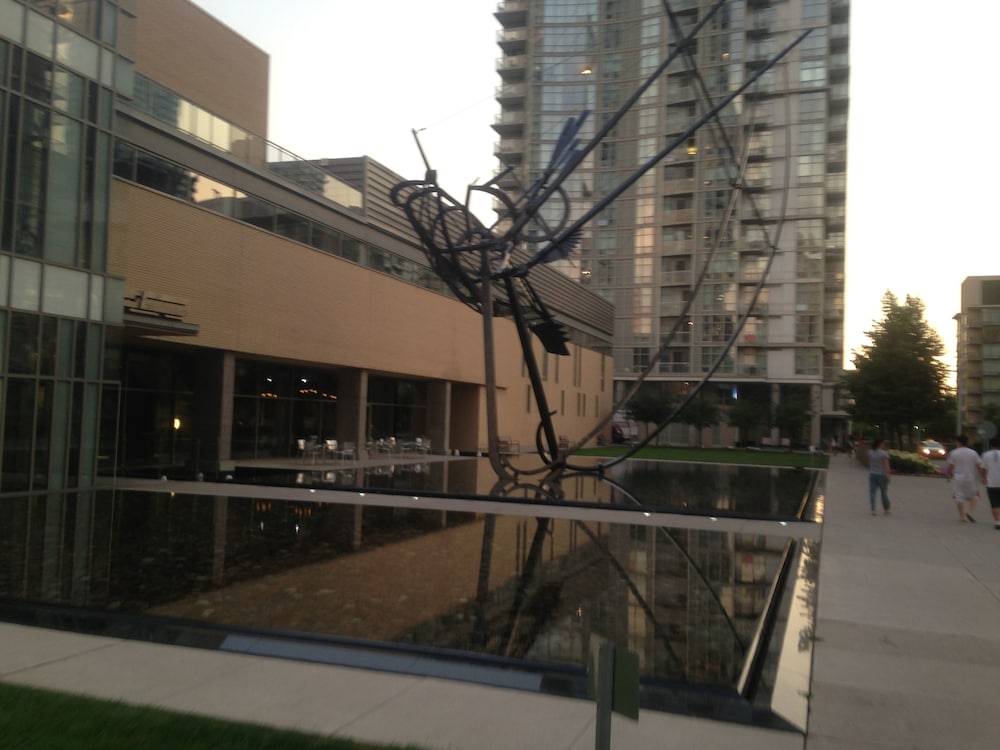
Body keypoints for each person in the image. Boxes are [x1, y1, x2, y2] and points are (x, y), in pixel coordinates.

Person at [943, 434, 983, 523]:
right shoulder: (973, 453)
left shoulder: (954, 452)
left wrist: (948, 474)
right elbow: (979, 466)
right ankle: (969, 512)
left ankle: (962, 517)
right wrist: (983, 477)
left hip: (958, 478)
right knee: (975, 496)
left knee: (958, 496)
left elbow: (951, 466)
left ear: (959, 442)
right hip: (971, 478)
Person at [867, 438, 891, 516]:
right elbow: (886, 466)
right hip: (882, 475)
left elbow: (870, 463)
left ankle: (873, 510)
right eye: (883, 444)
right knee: (883, 493)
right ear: (880, 444)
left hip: (873, 473)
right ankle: (886, 509)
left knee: (872, 492)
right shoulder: (884, 454)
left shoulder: (870, 452)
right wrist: (888, 476)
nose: (883, 445)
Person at [982, 435, 1000, 530]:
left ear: (990, 445)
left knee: (994, 503)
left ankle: (997, 522)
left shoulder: (986, 455)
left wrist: (983, 478)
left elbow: (983, 469)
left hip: (991, 482)